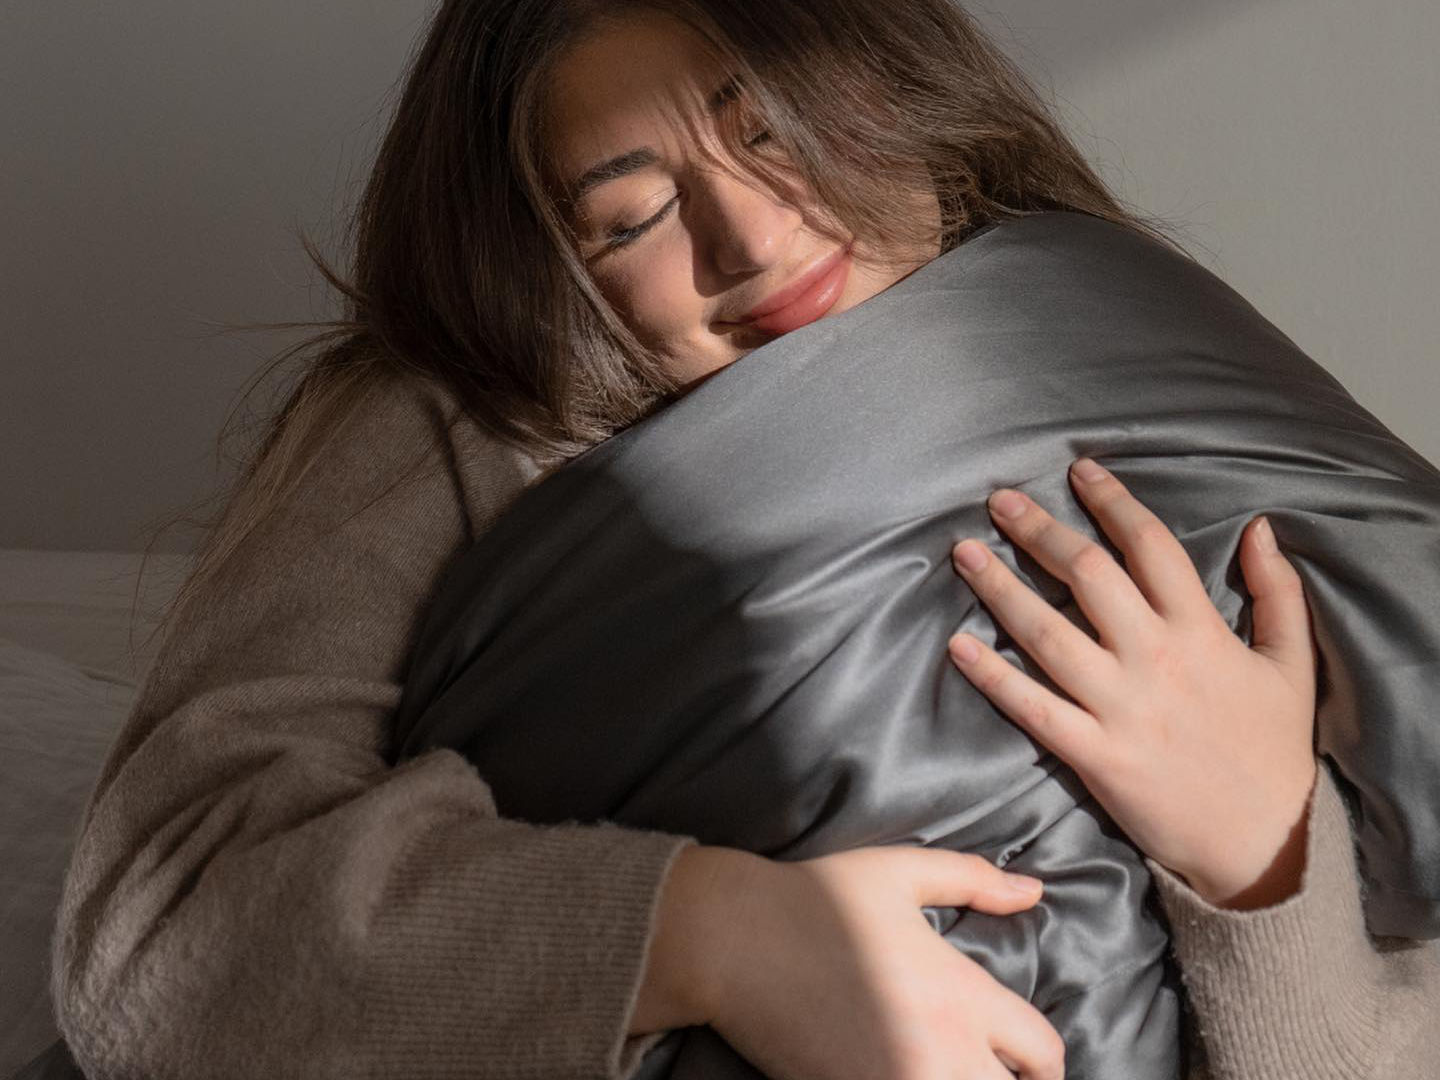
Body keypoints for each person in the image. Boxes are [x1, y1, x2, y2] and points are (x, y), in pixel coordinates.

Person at [45, 1, 1439, 1078]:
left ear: (887, 82)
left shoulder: (1140, 365)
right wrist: (710, 939)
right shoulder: (467, 412)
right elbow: (160, 938)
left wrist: (1260, 858)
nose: (756, 236)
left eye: (772, 127)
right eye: (635, 215)